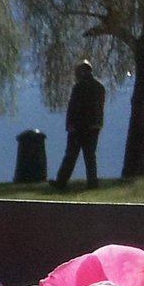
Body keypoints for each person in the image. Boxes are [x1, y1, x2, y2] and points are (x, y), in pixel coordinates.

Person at [53, 59, 106, 191]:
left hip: (78, 127)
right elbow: (99, 109)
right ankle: (92, 183)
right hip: (94, 126)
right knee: (90, 156)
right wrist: (97, 123)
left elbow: (73, 108)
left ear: (82, 71)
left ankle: (61, 182)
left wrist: (70, 125)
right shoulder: (99, 87)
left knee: (71, 155)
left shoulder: (79, 87)